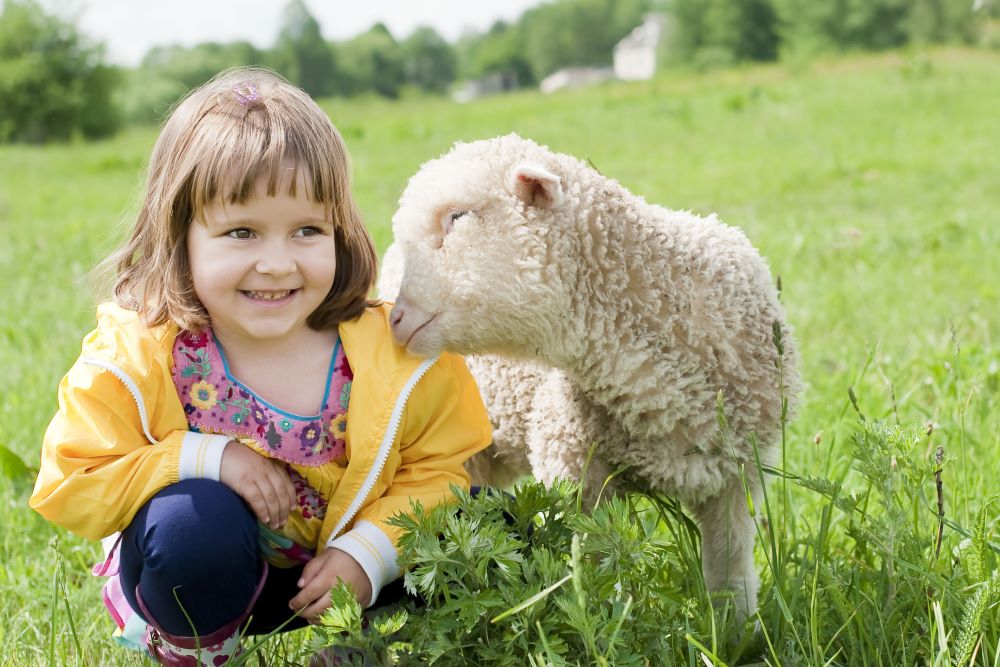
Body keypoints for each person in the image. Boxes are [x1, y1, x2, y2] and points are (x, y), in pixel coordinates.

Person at [29, 68, 492, 665]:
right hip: (219, 569)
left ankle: (370, 643)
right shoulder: (142, 353)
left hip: (342, 568)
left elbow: (441, 468)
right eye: (241, 232)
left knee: (487, 522)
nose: (276, 264)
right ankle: (199, 647)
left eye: (306, 230)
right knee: (190, 529)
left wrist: (370, 554)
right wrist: (205, 458)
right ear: (181, 237)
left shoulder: (390, 353)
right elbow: (73, 479)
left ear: (339, 230)